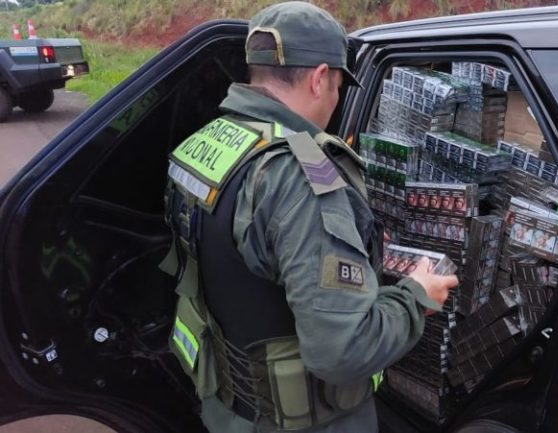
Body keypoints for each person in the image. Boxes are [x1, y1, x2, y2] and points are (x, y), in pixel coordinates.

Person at [161, 3, 458, 433]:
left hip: (226, 409)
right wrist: (416, 297)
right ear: (320, 79)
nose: (337, 101)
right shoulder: (303, 176)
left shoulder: (210, 141)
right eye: (338, 86)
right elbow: (344, 350)